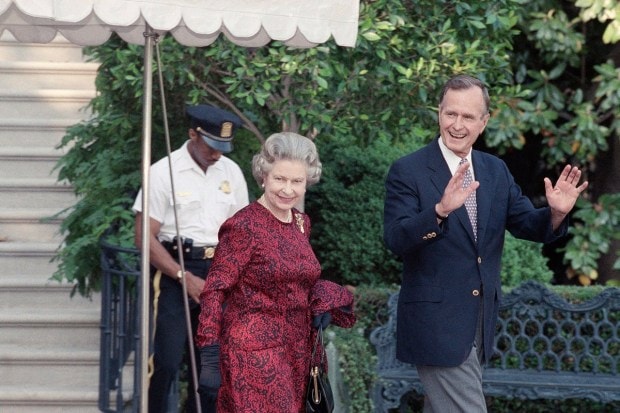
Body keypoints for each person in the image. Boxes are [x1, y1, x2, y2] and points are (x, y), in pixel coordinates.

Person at [383, 74, 589, 412]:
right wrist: (438, 212)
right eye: (451, 114)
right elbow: (396, 238)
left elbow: (526, 223)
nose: (457, 124)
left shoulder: (495, 170)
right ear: (439, 113)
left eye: (468, 116)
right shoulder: (409, 170)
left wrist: (554, 213)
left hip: (479, 324)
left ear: (484, 122)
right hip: (435, 325)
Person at [195, 132, 356, 413]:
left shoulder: (301, 223)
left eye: (297, 181)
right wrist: (209, 355)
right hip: (252, 354)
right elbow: (214, 289)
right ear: (264, 176)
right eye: (280, 179)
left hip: (296, 352)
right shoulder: (244, 226)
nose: (288, 189)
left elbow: (299, 277)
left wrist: (322, 302)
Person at [133, 104, 249, 413]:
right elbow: (144, 237)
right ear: (192, 135)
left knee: (212, 369)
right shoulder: (163, 171)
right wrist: (184, 278)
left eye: (223, 147)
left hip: (218, 270)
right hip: (175, 271)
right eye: (211, 145)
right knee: (166, 363)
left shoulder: (231, 171)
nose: (217, 154)